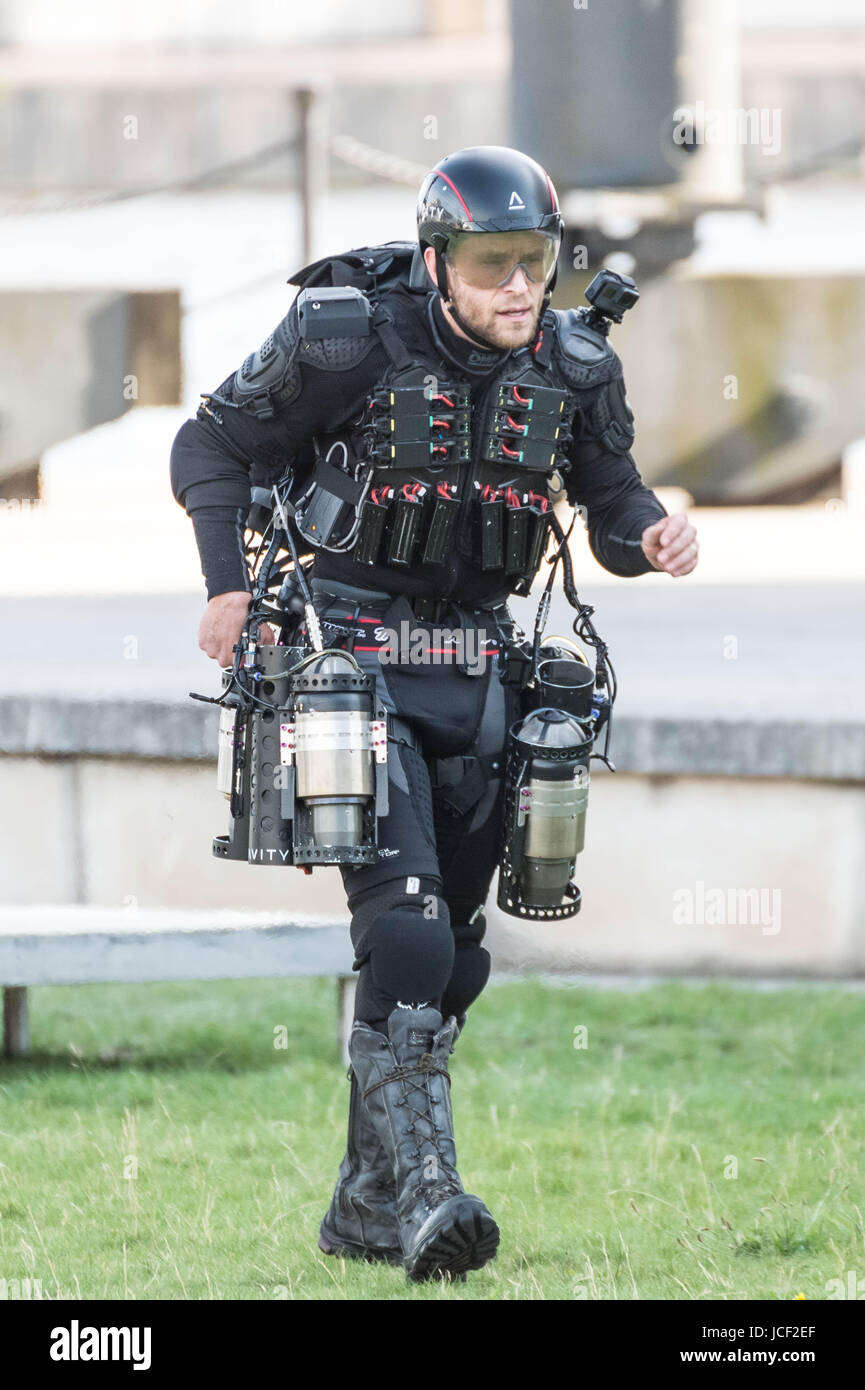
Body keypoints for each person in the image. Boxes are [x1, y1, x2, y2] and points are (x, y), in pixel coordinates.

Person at [169, 145, 699, 1283]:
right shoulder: (344, 338)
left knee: (455, 959)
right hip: (352, 663)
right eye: (493, 263)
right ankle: (427, 1200)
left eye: (537, 263)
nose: (519, 286)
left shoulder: (576, 362)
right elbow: (210, 441)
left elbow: (611, 497)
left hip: (484, 667)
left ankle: (361, 1208)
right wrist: (227, 585)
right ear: (437, 259)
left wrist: (653, 536)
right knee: (402, 926)